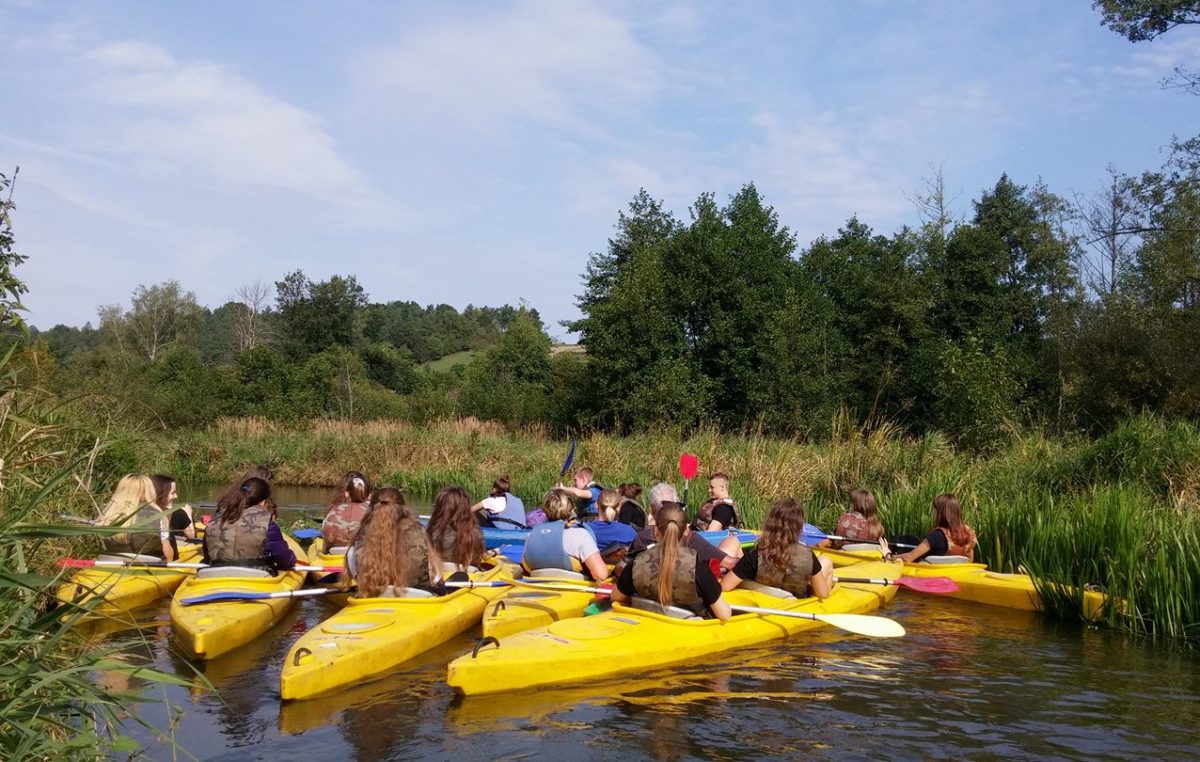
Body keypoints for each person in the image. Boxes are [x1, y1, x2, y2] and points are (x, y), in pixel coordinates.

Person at [613, 502, 731, 621]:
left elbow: (616, 597)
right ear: (686, 531)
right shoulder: (698, 569)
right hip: (688, 634)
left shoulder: (636, 564)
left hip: (648, 631)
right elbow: (725, 614)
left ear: (656, 531)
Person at [621, 482, 741, 578]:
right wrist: (752, 562)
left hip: (649, 598)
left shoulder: (642, 537)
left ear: (652, 509)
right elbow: (730, 563)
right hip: (687, 600)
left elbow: (624, 566)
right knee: (732, 542)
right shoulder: (689, 538)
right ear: (677, 507)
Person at [721, 498, 833, 599]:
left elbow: (725, 586)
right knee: (826, 562)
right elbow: (823, 594)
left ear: (770, 524)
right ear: (799, 526)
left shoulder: (755, 555)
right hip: (797, 605)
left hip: (768, 603)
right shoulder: (808, 556)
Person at [346, 487, 442, 597]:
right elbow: (436, 575)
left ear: (371, 509)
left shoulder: (361, 534)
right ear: (404, 508)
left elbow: (353, 570)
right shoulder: (419, 530)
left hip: (372, 596)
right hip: (417, 597)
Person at [203, 477, 297, 571]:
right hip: (255, 577)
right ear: (263, 502)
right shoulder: (268, 524)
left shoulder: (215, 519)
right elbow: (286, 561)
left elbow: (207, 557)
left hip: (215, 575)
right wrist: (291, 559)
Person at [522, 488, 610, 581]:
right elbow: (600, 575)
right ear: (571, 510)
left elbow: (526, 570)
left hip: (539, 588)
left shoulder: (531, 536)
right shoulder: (580, 535)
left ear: (544, 510)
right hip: (575, 590)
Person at [881, 493, 977, 563]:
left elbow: (909, 558)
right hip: (958, 575)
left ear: (941, 513)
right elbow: (969, 561)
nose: (933, 514)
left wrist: (889, 555)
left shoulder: (937, 535)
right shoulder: (969, 534)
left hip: (935, 578)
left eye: (935, 511)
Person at [96, 474, 173, 560]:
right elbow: (168, 555)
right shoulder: (156, 514)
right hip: (150, 567)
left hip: (113, 566)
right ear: (148, 491)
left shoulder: (108, 514)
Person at [426, 485, 485, 572]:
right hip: (469, 577)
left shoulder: (432, 532)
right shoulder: (477, 533)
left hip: (438, 575)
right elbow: (477, 561)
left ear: (440, 509)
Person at [151, 474, 195, 559]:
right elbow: (191, 536)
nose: (176, 496)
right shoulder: (180, 513)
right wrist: (188, 514)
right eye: (172, 493)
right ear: (160, 493)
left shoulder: (143, 515)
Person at [322, 471, 371, 547]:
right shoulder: (372, 510)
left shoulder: (334, 509)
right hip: (362, 552)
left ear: (346, 493)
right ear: (368, 495)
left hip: (333, 553)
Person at [587, 489, 638, 561]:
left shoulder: (585, 530)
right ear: (617, 508)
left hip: (590, 570)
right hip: (620, 570)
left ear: (596, 505)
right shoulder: (629, 532)